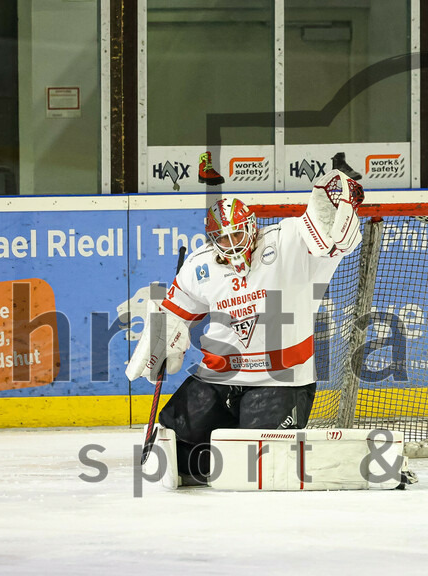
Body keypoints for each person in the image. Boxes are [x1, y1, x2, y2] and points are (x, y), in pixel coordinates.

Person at [126, 170, 364, 486]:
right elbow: (175, 311)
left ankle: (266, 458)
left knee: (255, 464)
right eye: (222, 238)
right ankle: (217, 462)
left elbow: (330, 244)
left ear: (252, 226)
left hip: (281, 381)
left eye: (236, 234)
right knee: (174, 437)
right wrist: (165, 334)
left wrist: (330, 219)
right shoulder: (200, 265)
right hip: (219, 376)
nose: (231, 244)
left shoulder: (289, 240)